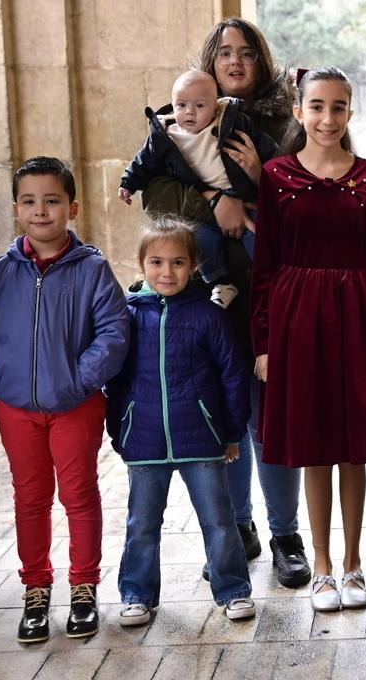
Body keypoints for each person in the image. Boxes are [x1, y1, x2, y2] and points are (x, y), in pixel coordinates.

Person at [139, 18, 310, 588]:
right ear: (209, 63)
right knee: (225, 419)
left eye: (247, 53)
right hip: (208, 297)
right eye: (224, 53)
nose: (236, 62)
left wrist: (262, 182)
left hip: (274, 291)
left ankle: (286, 534)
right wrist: (217, 199)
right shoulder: (184, 116)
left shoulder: (289, 123)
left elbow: (310, 199)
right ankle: (237, 529)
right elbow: (155, 192)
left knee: (271, 418)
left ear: (262, 61)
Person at [252, 67, 366, 612]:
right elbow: (264, 266)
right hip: (296, 321)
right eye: (316, 106)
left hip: (358, 319)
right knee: (313, 446)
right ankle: (320, 566)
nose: (327, 117)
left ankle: (353, 563)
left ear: (350, 112)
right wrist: (263, 343)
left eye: (338, 107)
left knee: (352, 448)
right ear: (299, 111)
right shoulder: (275, 176)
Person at [0, 156, 129, 643]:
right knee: (30, 499)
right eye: (30, 201)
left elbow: (114, 334)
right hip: (15, 410)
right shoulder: (0, 273)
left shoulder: (92, 269)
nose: (41, 211)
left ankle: (84, 587)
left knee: (79, 496)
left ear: (72, 208)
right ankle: (35, 590)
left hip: (76, 407)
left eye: (52, 200)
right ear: (17, 209)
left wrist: (77, 382)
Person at [107, 217, 255, 625]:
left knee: (219, 519)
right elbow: (114, 379)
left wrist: (231, 431)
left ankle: (234, 591)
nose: (167, 272)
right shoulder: (128, 315)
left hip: (202, 439)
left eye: (177, 262)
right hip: (144, 439)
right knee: (141, 523)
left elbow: (232, 375)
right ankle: (137, 594)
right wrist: (120, 430)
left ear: (193, 265)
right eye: (156, 262)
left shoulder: (208, 315)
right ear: (142, 263)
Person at [118, 70, 279, 309]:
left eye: (199, 106)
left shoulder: (231, 122)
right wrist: (128, 183)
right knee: (199, 240)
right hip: (200, 207)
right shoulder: (165, 135)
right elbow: (144, 162)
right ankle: (220, 282)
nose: (189, 112)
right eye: (181, 105)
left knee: (259, 235)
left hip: (240, 198)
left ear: (215, 106)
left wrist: (268, 172)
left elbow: (268, 149)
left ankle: (271, 282)